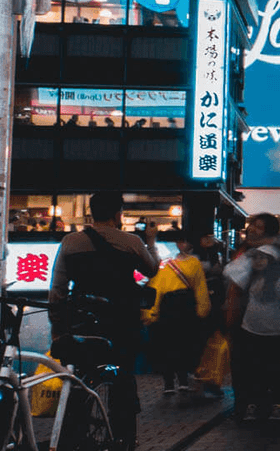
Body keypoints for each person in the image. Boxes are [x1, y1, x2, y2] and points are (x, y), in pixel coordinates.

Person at [50, 192, 158, 449]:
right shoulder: (130, 241)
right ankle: (123, 438)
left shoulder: (70, 242)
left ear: (91, 212)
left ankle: (75, 435)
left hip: (82, 322)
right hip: (122, 322)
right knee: (122, 378)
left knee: (80, 379)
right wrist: (151, 241)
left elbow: (57, 290)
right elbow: (151, 269)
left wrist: (58, 328)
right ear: (117, 214)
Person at [230, 244, 280, 422]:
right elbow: (230, 271)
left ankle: (276, 405)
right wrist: (247, 255)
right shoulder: (250, 277)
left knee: (273, 370)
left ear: (272, 260)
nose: (258, 261)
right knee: (253, 370)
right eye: (256, 257)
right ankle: (253, 404)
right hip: (250, 330)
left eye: (262, 257)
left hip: (274, 332)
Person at [145, 230, 212, 396]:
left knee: (182, 344)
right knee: (167, 345)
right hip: (173, 307)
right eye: (178, 241)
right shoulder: (163, 263)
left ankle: (180, 380)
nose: (181, 245)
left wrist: (202, 308)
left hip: (181, 307)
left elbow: (200, 286)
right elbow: (156, 286)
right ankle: (169, 381)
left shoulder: (192, 262)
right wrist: (150, 311)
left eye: (183, 241)